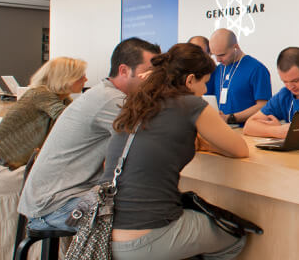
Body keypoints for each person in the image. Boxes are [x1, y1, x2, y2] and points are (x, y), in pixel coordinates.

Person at [104, 43, 249, 260]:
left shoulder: (138, 103)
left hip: (108, 232)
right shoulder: (191, 104)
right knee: (235, 236)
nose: (204, 91)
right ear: (190, 80)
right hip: (146, 236)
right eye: (205, 83)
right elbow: (239, 149)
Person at [18, 38, 160, 233]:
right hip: (56, 205)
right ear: (124, 70)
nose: (153, 80)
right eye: (149, 73)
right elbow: (154, 139)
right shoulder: (112, 100)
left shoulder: (102, 93)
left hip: (51, 199)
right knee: (143, 221)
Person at [0, 57, 88, 260]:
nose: (86, 79)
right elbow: (69, 122)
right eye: (80, 76)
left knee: (56, 199)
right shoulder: (40, 94)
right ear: (65, 78)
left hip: (9, 170)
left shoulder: (61, 99)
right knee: (57, 201)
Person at [206, 28, 271, 125]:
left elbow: (263, 105)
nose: (218, 60)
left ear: (236, 47)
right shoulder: (217, 70)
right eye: (215, 55)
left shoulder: (257, 69)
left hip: (247, 130)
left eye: (222, 55)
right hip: (221, 129)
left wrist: (231, 118)